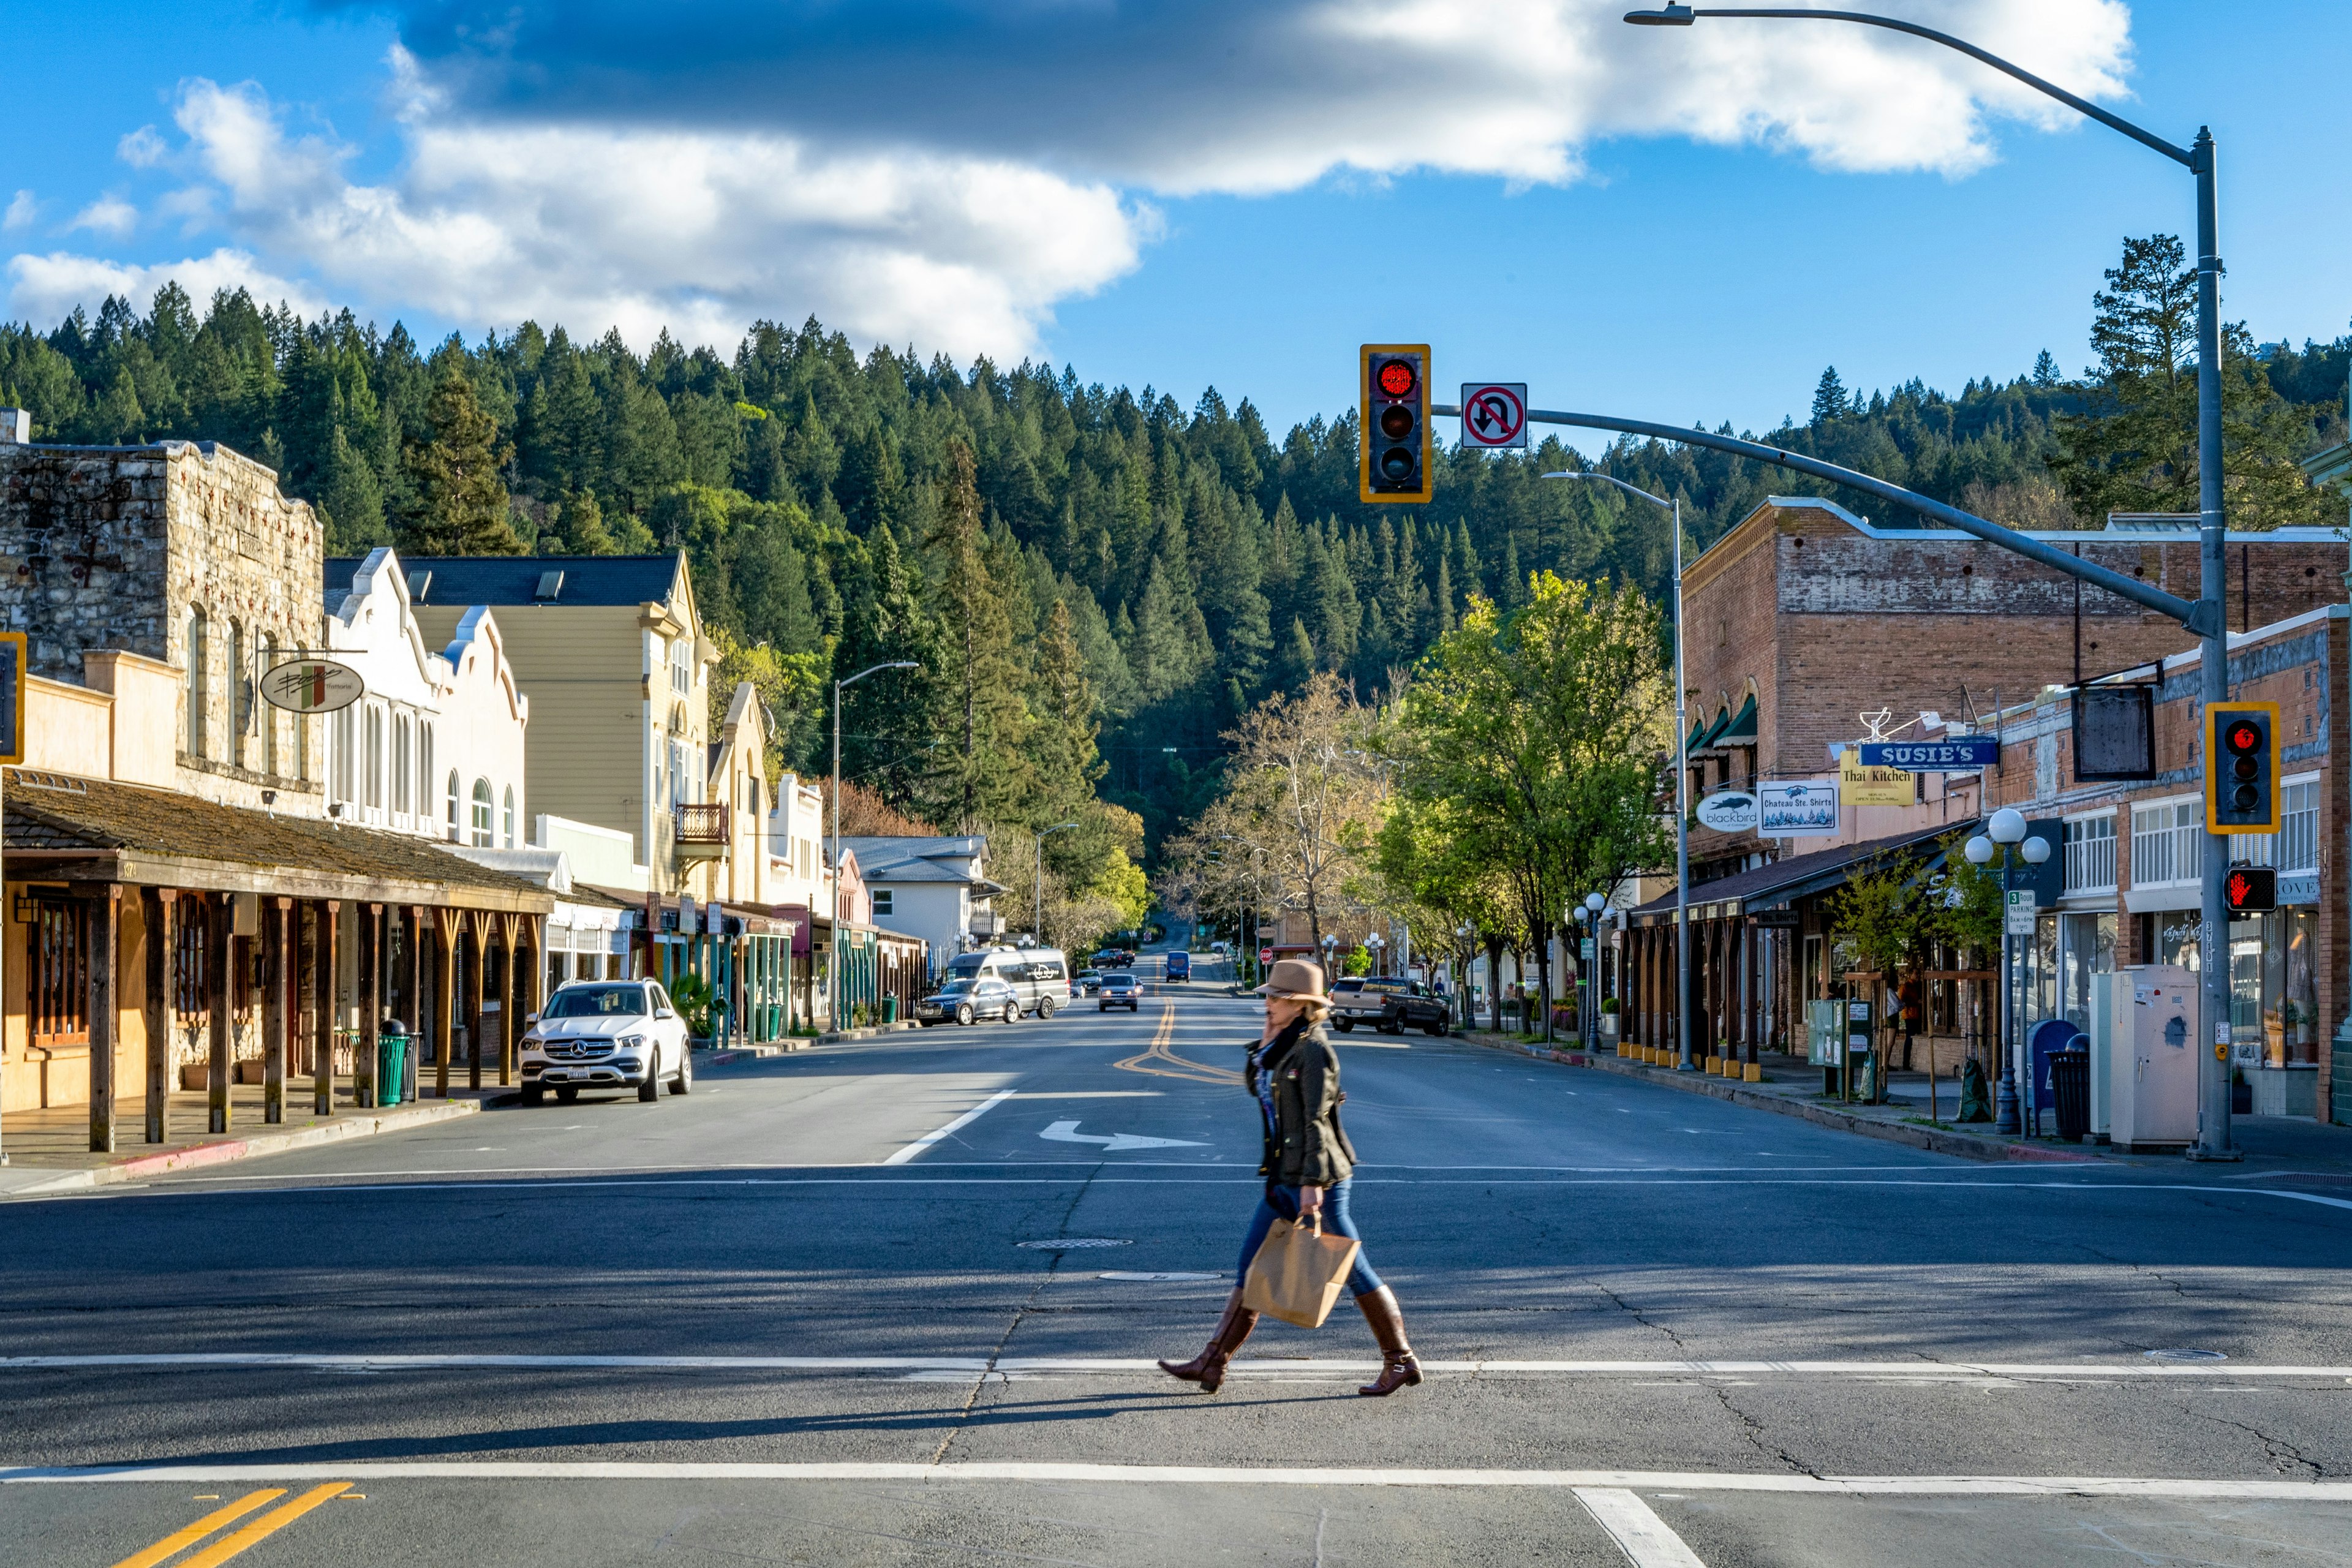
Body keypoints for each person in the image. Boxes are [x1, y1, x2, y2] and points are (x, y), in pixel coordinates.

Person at [1157, 957, 1420, 1397]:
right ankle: (1212, 1362)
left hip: (1319, 1181)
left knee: (1354, 1270)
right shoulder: (1283, 1044)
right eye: (1269, 997)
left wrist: (1312, 1186)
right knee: (1249, 1266)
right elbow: (1256, 1089)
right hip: (1284, 1176)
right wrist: (1263, 1046)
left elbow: (1316, 1120)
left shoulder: (1314, 1050)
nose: (1269, 1004)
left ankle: (1401, 1360)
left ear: (1301, 1004)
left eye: (1278, 999)